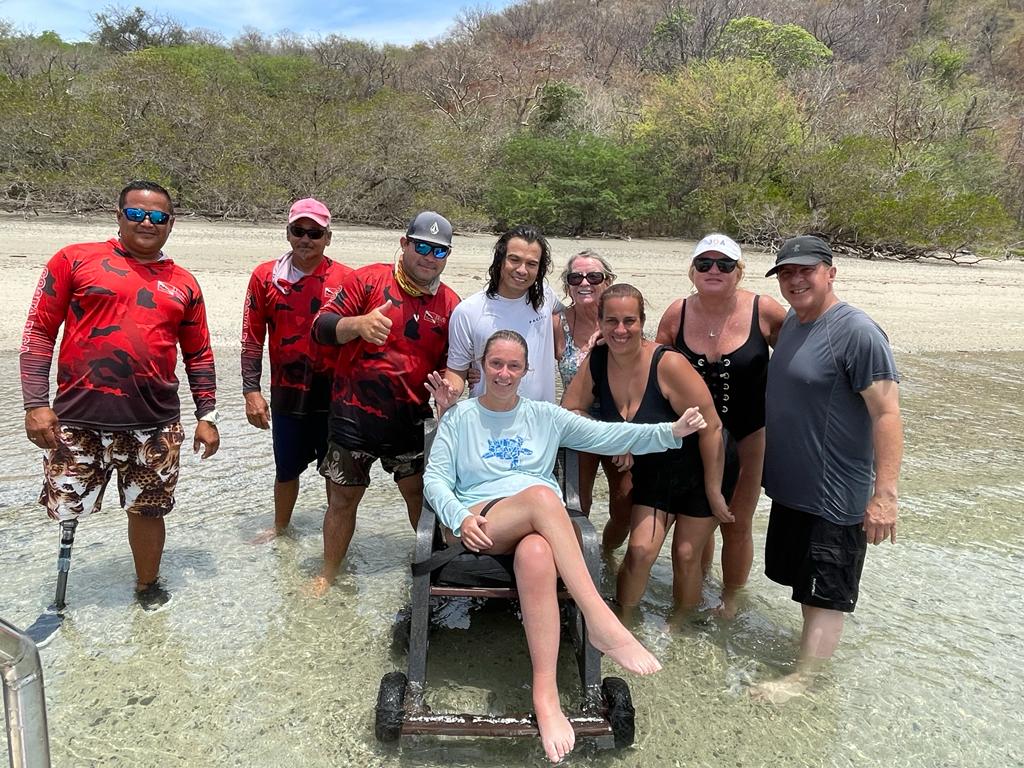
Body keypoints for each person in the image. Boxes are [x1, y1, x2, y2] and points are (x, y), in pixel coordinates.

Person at [423, 329, 707, 764]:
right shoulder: (460, 417)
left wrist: (672, 431)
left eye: (513, 365)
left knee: (537, 553)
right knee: (543, 497)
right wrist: (458, 516)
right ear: (482, 365)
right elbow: (435, 479)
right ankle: (599, 618)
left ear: (526, 370)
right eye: (496, 363)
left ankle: (546, 696)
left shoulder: (545, 416)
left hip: (537, 529)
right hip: (479, 521)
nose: (504, 373)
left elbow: (609, 436)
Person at [19, 180, 219, 609]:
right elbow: (38, 331)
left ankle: (147, 586)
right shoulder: (74, 259)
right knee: (67, 508)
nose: (147, 222)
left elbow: (199, 353)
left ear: (170, 223)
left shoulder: (184, 283)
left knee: (149, 510)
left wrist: (208, 415)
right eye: (136, 213)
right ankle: (60, 599)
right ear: (119, 215)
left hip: (155, 424)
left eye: (158, 216)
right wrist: (35, 403)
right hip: (78, 419)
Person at [755, 235, 903, 703]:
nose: (796, 280)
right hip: (794, 490)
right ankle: (809, 660)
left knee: (825, 595)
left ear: (831, 273)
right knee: (807, 588)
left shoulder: (858, 331)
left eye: (807, 270)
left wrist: (885, 495)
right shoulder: (793, 323)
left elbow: (887, 413)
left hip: (835, 496)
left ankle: (804, 682)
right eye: (787, 272)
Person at [309, 211, 460, 595]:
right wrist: (357, 325)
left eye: (439, 251)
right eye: (422, 246)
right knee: (343, 500)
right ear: (404, 244)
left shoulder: (449, 304)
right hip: (352, 415)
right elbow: (320, 327)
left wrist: (454, 386)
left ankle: (435, 571)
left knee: (421, 497)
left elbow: (455, 365)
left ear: (447, 256)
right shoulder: (368, 280)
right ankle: (328, 573)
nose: (429, 257)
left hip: (410, 420)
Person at [563, 284, 730, 613]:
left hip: (700, 466)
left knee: (686, 555)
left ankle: (680, 629)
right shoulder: (598, 360)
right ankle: (622, 620)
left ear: (642, 322)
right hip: (655, 471)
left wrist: (714, 491)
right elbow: (569, 412)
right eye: (611, 321)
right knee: (639, 552)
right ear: (600, 323)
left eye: (629, 321)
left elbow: (711, 426)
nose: (620, 330)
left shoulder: (669, 364)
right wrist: (617, 437)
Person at [655, 233, 786, 616]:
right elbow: (653, 365)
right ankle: (699, 584)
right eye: (705, 263)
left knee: (736, 522)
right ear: (693, 271)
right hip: (693, 436)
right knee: (697, 518)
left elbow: (800, 355)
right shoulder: (677, 313)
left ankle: (730, 600)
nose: (714, 270)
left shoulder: (764, 310)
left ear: (738, 271)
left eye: (725, 264)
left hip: (748, 435)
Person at [241, 198, 352, 542]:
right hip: (287, 394)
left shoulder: (347, 279)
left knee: (336, 474)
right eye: (298, 231)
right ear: (288, 233)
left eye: (315, 233)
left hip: (335, 397)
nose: (306, 239)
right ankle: (280, 529)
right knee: (286, 469)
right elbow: (251, 338)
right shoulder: (265, 277)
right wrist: (251, 390)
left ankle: (335, 535)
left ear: (328, 238)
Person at [552, 249, 633, 551]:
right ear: (567, 285)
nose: (584, 283)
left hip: (619, 422)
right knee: (575, 505)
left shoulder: (621, 322)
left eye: (594, 276)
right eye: (576, 278)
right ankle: (578, 564)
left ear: (608, 281)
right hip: (576, 422)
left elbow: (642, 374)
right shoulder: (557, 324)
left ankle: (604, 556)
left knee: (625, 508)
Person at [443, 225, 560, 404]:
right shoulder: (468, 311)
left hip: (541, 417)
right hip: (486, 417)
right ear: (500, 261)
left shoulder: (546, 297)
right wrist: (449, 396)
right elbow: (456, 370)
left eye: (531, 264)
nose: (522, 270)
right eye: (514, 260)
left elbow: (576, 315)